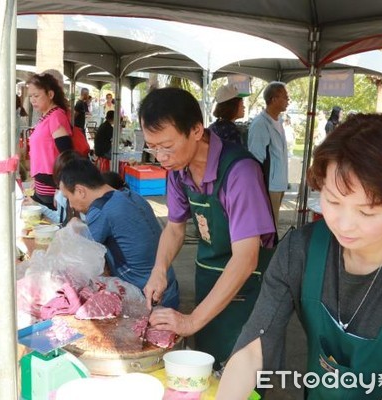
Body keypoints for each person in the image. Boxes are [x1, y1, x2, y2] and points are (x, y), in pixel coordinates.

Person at [218, 114, 382, 400]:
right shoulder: (301, 250)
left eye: (367, 211)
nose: (344, 224)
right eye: (333, 201)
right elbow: (254, 346)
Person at [140, 88, 276, 369]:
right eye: (152, 147)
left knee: (240, 369)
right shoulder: (179, 170)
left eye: (166, 146)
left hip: (248, 284)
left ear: (196, 130)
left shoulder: (240, 172)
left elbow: (246, 258)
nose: (160, 157)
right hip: (208, 276)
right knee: (206, 365)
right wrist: (159, 270)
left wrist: (191, 320)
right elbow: (175, 228)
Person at [58, 156, 180, 309]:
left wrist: (74, 228)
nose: (71, 205)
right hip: (168, 289)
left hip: (150, 298)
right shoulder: (132, 195)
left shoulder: (101, 210)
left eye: (68, 197)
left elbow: (83, 259)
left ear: (80, 191)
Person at [27, 73, 74, 209]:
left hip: (52, 189)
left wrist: (62, 187)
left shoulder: (56, 116)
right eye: (30, 96)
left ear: (50, 94)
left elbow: (67, 154)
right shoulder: (46, 116)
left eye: (36, 96)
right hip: (42, 186)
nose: (32, 100)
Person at [247, 81, 289, 230]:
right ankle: (266, 252)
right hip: (269, 185)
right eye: (285, 97)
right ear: (274, 99)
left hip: (279, 182)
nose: (288, 100)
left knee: (273, 223)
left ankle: (270, 250)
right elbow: (256, 158)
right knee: (267, 226)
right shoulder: (261, 124)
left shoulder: (278, 121)